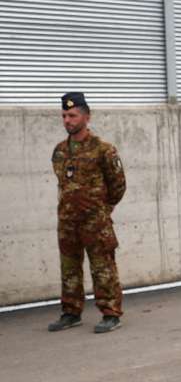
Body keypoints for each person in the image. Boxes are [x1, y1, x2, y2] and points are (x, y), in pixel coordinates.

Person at [48, 92, 127, 334]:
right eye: (64, 116)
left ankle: (111, 313)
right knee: (69, 268)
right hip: (68, 221)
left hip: (95, 221)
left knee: (102, 267)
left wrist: (102, 208)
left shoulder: (103, 149)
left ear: (86, 117)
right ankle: (71, 312)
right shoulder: (60, 151)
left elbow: (118, 185)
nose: (67, 120)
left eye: (72, 115)